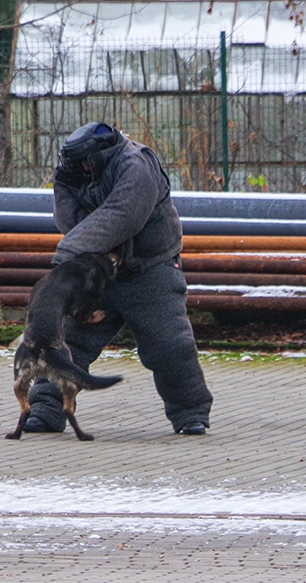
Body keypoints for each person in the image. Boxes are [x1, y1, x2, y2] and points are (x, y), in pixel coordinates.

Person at [22, 122, 213, 436]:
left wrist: (67, 253)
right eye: (75, 165)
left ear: (101, 154)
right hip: (98, 270)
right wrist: (80, 247)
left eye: (86, 163)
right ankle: (46, 410)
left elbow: (123, 215)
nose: (81, 169)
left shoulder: (135, 163)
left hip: (150, 268)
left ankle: (191, 414)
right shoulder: (69, 172)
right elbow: (67, 218)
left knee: (169, 347)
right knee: (70, 341)